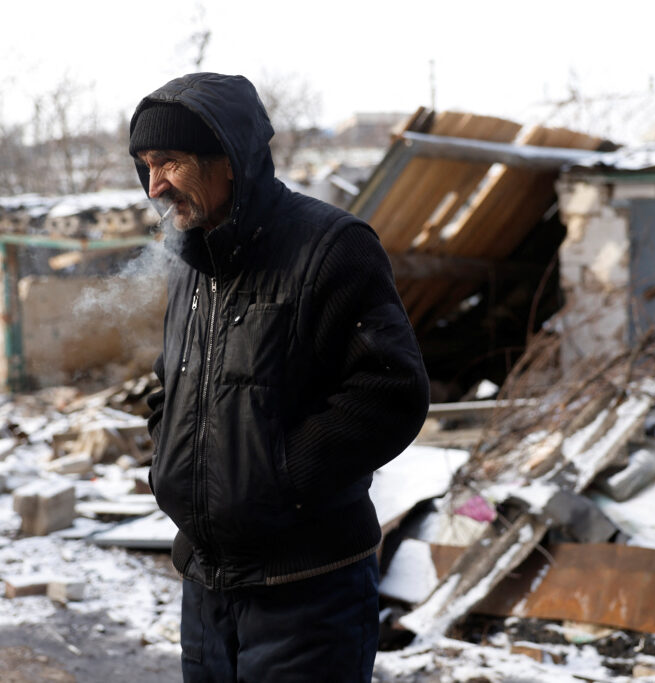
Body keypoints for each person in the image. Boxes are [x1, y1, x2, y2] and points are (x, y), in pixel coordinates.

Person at [129, 72, 430, 682]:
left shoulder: (331, 247)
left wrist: (280, 478)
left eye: (171, 162)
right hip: (207, 585)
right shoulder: (192, 263)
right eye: (146, 165)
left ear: (230, 161)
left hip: (306, 590)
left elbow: (391, 392)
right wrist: (170, 458)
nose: (155, 185)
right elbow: (175, 380)